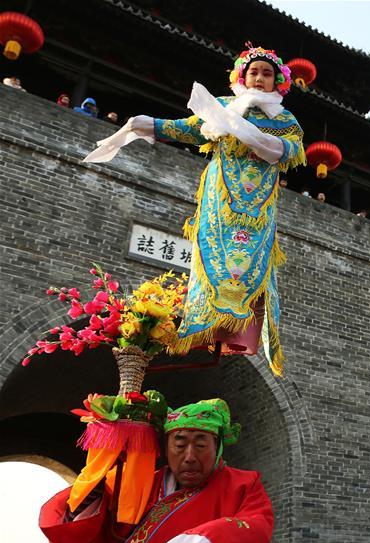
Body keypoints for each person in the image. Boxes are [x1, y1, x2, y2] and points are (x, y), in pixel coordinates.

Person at [83, 46, 306, 376]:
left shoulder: (285, 120)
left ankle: (238, 330)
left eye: (267, 73)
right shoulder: (224, 109)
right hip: (220, 200)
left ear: (278, 83)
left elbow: (292, 150)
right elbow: (186, 127)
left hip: (256, 209)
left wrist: (259, 139)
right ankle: (204, 326)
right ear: (242, 77)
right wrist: (147, 125)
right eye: (254, 72)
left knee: (247, 265)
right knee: (213, 258)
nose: (259, 78)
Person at [40, 398, 274, 543]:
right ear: (166, 447)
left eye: (201, 445)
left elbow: (257, 527)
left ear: (218, 447)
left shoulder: (243, 484)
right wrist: (99, 482)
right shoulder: (143, 482)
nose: (190, 456)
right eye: (180, 445)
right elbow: (103, 532)